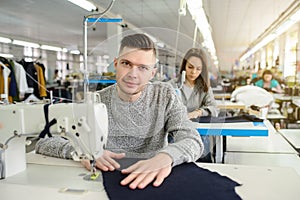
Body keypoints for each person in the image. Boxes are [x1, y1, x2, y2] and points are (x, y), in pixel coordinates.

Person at [83, 33, 203, 190]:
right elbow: (46, 140)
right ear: (116, 64)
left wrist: (166, 156)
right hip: (103, 182)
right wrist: (83, 152)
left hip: (154, 179)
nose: (133, 74)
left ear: (152, 73)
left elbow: (193, 140)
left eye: (142, 68)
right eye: (126, 63)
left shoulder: (164, 95)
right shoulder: (96, 100)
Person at [168, 48, 218, 162]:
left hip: (198, 131)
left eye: (198, 69)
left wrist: (197, 112)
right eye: (190, 67)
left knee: (203, 152)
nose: (193, 72)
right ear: (184, 66)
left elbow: (214, 108)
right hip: (175, 131)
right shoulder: (172, 85)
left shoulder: (204, 87)